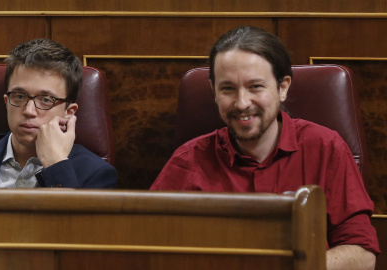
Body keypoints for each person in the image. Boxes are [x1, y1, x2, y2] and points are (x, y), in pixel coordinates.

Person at [150, 26, 379, 269]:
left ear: (283, 88)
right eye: (228, 88)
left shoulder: (326, 148)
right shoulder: (189, 160)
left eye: (255, 87)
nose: (241, 103)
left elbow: (362, 255)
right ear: (214, 92)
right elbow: (147, 246)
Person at [0, 38, 117, 189]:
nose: (29, 111)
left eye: (46, 100)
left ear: (69, 112)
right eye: (19, 96)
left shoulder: (96, 174)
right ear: (7, 102)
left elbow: (77, 235)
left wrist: (56, 165)